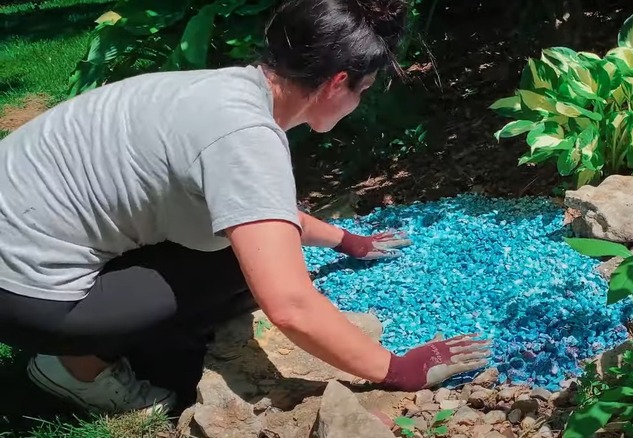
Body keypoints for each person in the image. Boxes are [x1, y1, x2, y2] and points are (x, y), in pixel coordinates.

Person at [0, 0, 491, 415]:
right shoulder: (245, 135)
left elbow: (263, 211)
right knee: (236, 267)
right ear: (337, 82)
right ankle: (74, 369)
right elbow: (290, 305)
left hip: (16, 250)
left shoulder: (225, 89)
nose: (357, 104)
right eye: (361, 92)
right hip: (27, 297)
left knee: (237, 246)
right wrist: (397, 369)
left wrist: (347, 240)